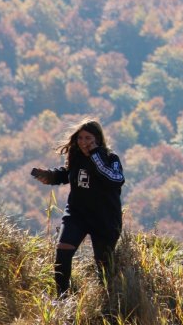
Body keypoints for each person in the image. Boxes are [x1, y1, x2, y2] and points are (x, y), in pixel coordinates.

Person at [31, 118, 125, 295]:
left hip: (105, 219)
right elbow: (66, 174)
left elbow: (115, 180)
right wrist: (49, 176)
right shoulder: (77, 158)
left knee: (104, 265)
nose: (83, 142)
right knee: (63, 250)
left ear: (97, 139)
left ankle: (109, 302)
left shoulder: (111, 159)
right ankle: (62, 297)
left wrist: (95, 155)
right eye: (80, 138)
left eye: (88, 138)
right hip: (77, 214)